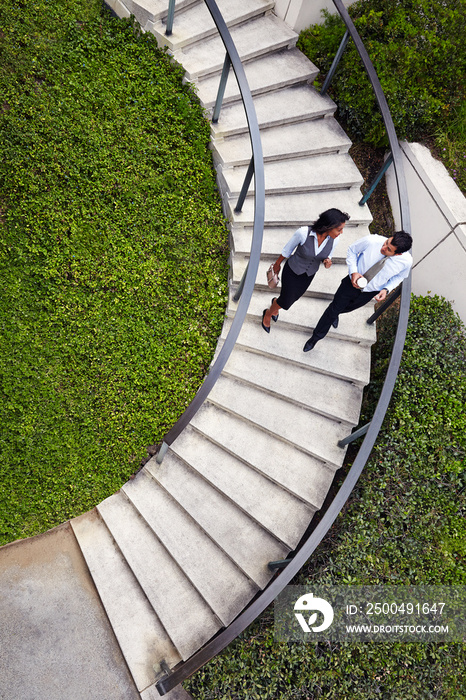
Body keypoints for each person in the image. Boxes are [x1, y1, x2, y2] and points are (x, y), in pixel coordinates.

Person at [303, 230, 413, 352]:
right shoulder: (372, 240)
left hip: (369, 292)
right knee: (332, 310)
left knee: (347, 308)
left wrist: (386, 289)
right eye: (387, 242)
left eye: (389, 249)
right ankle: (315, 337)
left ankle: (337, 313)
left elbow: (400, 277)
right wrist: (354, 271)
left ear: (398, 254)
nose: (383, 247)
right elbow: (352, 250)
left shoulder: (406, 262)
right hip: (350, 284)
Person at [261, 208, 350, 333]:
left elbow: (328, 256)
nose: (341, 233)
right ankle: (268, 313)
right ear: (328, 226)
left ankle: (276, 302)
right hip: (292, 271)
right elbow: (287, 250)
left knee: (292, 298)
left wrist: (327, 262)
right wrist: (277, 265)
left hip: (308, 275)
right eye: (339, 229)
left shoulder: (335, 240)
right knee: (286, 301)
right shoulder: (303, 233)